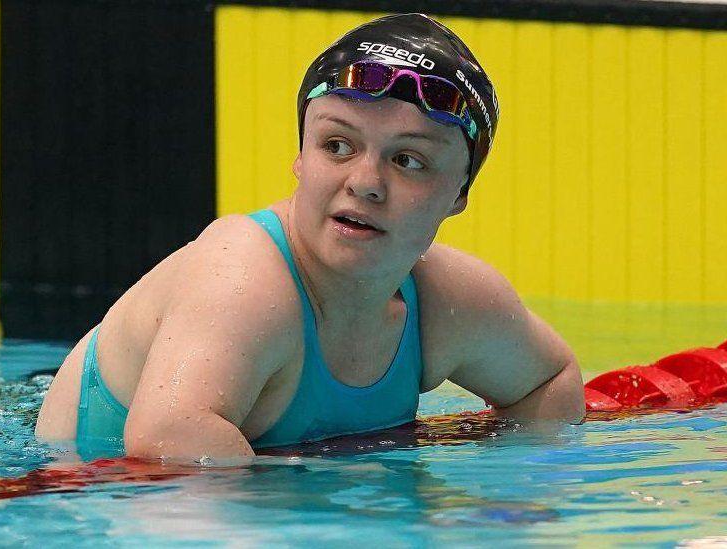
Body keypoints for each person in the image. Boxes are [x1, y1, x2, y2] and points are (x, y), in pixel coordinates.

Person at [35, 13, 585, 461]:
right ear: (301, 155)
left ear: (459, 194)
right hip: (66, 498)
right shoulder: (242, 277)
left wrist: (506, 514)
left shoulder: (451, 301)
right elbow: (168, 443)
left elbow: (550, 381)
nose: (365, 183)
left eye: (409, 160)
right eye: (338, 146)